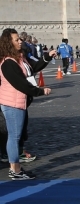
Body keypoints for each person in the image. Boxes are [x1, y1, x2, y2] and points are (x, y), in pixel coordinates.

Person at [0, 28, 54, 180]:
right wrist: (40, 92)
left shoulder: (19, 58)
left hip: (19, 102)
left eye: (19, 39)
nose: (20, 41)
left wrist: (47, 57)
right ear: (8, 43)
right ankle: (15, 171)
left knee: (15, 136)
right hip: (12, 103)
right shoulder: (8, 63)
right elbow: (21, 85)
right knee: (14, 137)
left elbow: (32, 69)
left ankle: (15, 168)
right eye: (16, 40)